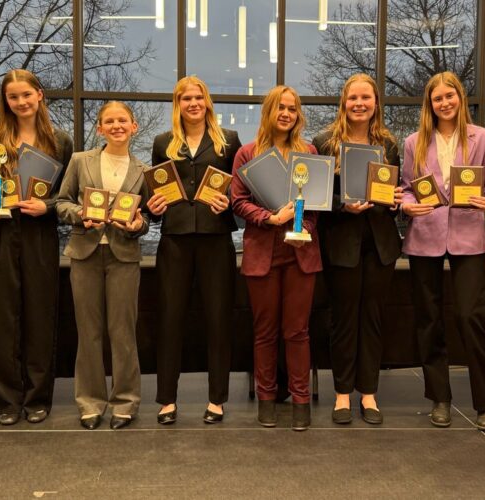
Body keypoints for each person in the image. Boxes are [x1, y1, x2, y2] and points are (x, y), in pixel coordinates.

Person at [399, 71, 485, 431]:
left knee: (471, 317)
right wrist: (407, 205)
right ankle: (439, 399)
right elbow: (406, 189)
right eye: (437, 98)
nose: (444, 103)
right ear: (429, 104)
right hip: (424, 236)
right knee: (429, 320)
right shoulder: (413, 141)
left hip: (468, 235)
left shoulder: (483, 138)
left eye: (450, 96)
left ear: (460, 98)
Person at [0, 69, 73, 426]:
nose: (20, 102)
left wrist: (45, 207)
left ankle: (37, 398)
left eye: (26, 95)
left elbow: (66, 194)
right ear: (6, 101)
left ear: (39, 95)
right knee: (2, 319)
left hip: (39, 234)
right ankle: (4, 400)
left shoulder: (60, 141)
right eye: (13, 97)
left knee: (40, 316)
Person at [148, 76, 242, 425]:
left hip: (216, 239)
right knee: (170, 319)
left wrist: (228, 201)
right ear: (178, 104)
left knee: (218, 320)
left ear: (207, 102)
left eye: (198, 97)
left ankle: (216, 399)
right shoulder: (162, 142)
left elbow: (240, 189)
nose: (192, 103)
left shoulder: (228, 141)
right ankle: (166, 400)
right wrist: (152, 204)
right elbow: (155, 189)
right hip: (174, 239)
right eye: (185, 98)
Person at [311, 74, 401, 425]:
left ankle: (369, 394)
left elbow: (395, 192)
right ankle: (343, 394)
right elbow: (317, 197)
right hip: (341, 244)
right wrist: (342, 206)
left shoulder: (389, 144)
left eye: (366, 98)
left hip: (380, 245)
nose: (359, 104)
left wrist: (394, 201)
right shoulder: (324, 143)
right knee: (344, 321)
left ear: (376, 103)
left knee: (373, 320)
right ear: (343, 103)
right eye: (353, 98)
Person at [231, 85, 320, 431]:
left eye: (292, 108)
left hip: (301, 253)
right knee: (265, 332)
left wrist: (304, 229)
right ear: (269, 111)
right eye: (280, 107)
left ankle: (301, 402)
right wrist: (270, 218)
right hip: (262, 253)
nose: (286, 113)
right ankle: (266, 399)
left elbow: (317, 202)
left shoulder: (309, 152)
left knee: (297, 332)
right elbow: (238, 201)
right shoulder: (248, 154)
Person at [56, 101, 149, 431]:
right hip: (85, 254)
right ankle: (90, 403)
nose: (116, 126)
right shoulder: (81, 161)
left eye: (122, 120)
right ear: (100, 128)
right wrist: (80, 214)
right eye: (109, 121)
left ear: (133, 126)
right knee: (89, 333)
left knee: (123, 333)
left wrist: (138, 226)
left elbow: (147, 217)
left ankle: (125, 402)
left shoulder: (142, 169)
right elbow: (61, 202)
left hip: (124, 257)